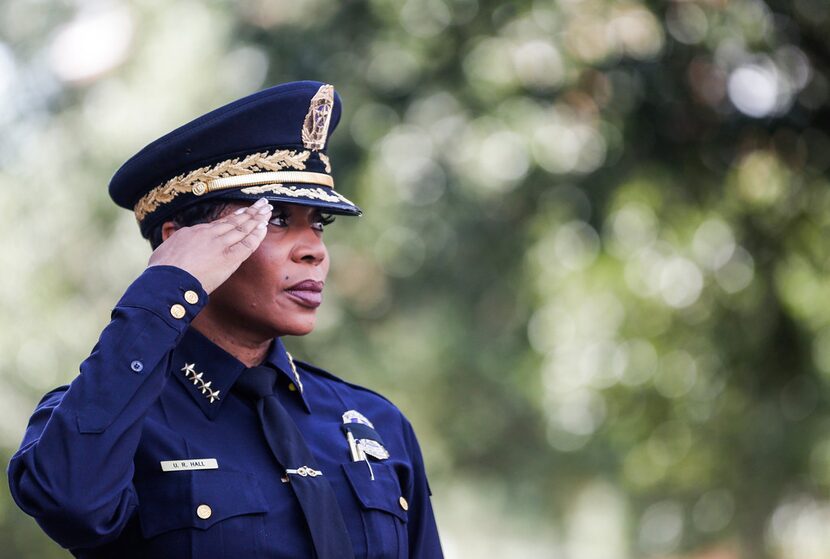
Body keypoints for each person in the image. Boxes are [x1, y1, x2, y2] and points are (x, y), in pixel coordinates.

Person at [7, 81, 443, 559]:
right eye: (276, 219)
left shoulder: (372, 423)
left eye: (318, 223)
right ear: (180, 242)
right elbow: (69, 501)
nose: (314, 249)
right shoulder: (107, 419)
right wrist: (166, 286)